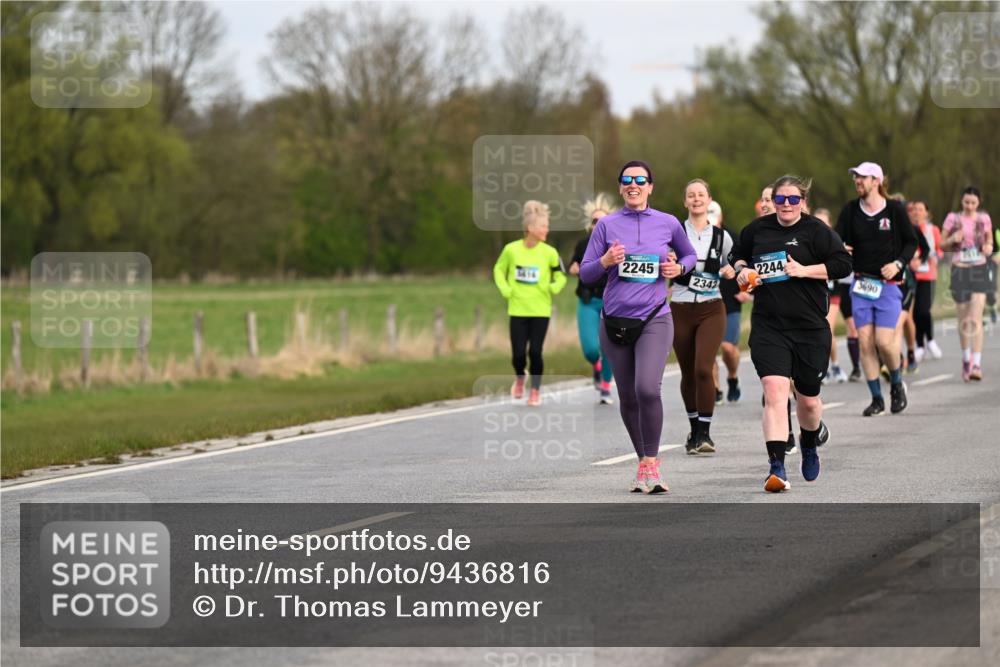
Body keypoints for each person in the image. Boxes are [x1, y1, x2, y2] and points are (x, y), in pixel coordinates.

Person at [580, 160, 697, 493]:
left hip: (654, 317)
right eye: (627, 180)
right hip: (615, 321)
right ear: (620, 188)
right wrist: (605, 262)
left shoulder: (669, 223)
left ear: (650, 187)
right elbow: (587, 272)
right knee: (628, 396)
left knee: (648, 388)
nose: (634, 184)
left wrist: (678, 269)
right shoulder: (607, 226)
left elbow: (688, 256)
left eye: (640, 180)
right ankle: (643, 462)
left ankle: (652, 462)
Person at [733, 175, 851, 492]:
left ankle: (809, 444)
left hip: (810, 328)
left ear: (803, 201)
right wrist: (743, 268)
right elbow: (736, 255)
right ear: (771, 201)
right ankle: (776, 468)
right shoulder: (757, 230)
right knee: (774, 393)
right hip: (769, 325)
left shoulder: (817, 231)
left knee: (809, 402)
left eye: (792, 199)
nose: (786, 205)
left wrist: (803, 270)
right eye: (780, 199)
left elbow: (843, 265)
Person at [836, 162, 917, 416]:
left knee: (885, 342)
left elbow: (911, 242)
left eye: (862, 177)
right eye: (855, 178)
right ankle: (876, 399)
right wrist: (839, 246)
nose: (857, 181)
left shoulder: (894, 210)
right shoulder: (850, 210)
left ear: (876, 181)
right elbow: (835, 238)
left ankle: (895, 383)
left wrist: (898, 263)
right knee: (866, 343)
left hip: (888, 286)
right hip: (861, 284)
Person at [670, 180, 735, 454]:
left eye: (701, 195)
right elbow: (662, 261)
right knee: (687, 372)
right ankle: (694, 428)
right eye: (691, 196)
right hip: (681, 307)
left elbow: (732, 264)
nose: (696, 199)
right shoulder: (673, 233)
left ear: (709, 201)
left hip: (711, 307)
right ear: (685, 202)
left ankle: (706, 434)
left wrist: (731, 271)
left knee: (703, 368)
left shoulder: (722, 237)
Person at [493, 200, 567, 406]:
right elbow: (499, 270)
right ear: (530, 228)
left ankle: (535, 390)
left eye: (547, 226)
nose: (546, 230)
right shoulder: (511, 250)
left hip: (540, 310)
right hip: (517, 309)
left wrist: (554, 287)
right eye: (543, 226)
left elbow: (561, 276)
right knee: (518, 355)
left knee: (535, 352)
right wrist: (505, 289)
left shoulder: (550, 252)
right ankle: (520, 376)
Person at [941, 186, 994, 381]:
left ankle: (977, 363)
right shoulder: (952, 219)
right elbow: (941, 243)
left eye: (973, 203)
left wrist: (988, 247)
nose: (970, 206)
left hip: (978, 268)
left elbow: (989, 241)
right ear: (962, 202)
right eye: (966, 202)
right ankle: (966, 360)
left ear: (978, 203)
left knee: (975, 319)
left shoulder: (984, 219)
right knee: (964, 319)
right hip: (959, 269)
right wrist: (953, 239)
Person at [569, 194, 616, 404]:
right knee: (590, 348)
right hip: (588, 300)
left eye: (603, 221)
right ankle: (595, 365)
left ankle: (606, 386)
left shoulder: (617, 244)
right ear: (591, 225)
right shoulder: (582, 244)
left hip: (612, 301)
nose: (599, 224)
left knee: (609, 345)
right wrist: (574, 268)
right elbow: (573, 265)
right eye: (595, 221)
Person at [716, 204, 749, 403]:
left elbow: (745, 264)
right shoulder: (691, 236)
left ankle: (732, 377)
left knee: (728, 348)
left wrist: (745, 291)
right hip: (706, 299)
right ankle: (715, 389)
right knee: (708, 351)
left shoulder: (732, 236)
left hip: (731, 299)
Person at [815, 207, 851, 383]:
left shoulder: (835, 241)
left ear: (830, 224)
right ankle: (822, 368)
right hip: (813, 293)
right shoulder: (807, 240)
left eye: (824, 222)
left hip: (832, 291)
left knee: (826, 329)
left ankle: (834, 366)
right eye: (817, 221)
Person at [909, 201, 943, 361]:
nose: (916, 212)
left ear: (926, 213)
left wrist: (934, 258)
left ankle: (930, 340)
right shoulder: (906, 229)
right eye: (914, 209)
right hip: (910, 275)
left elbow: (940, 250)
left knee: (923, 310)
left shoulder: (933, 230)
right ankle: (919, 345)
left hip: (927, 275)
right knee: (913, 313)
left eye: (920, 209)